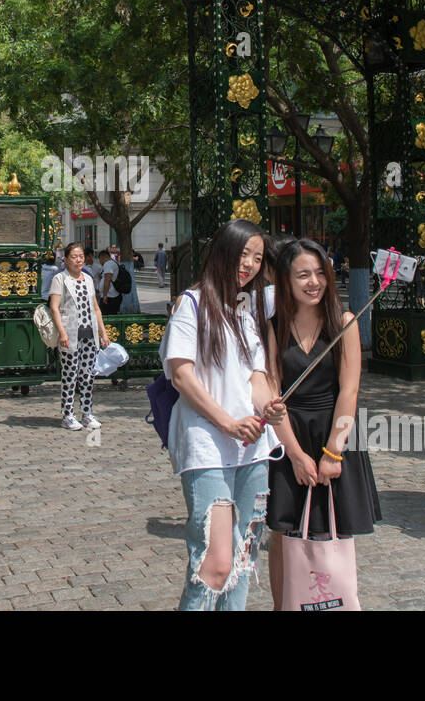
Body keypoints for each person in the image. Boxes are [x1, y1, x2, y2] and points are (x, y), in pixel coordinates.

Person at [164, 219, 286, 611]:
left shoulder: (244, 314)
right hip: (207, 446)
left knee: (244, 556)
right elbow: (182, 374)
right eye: (243, 254)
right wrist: (227, 423)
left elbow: (255, 378)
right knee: (214, 562)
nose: (249, 264)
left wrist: (268, 405)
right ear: (223, 251)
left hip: (251, 449)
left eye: (257, 257)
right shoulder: (192, 303)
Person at [265, 238, 381, 607]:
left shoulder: (344, 323)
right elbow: (272, 395)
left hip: (335, 434)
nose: (313, 282)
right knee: (283, 532)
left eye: (320, 273)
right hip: (290, 437)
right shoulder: (273, 327)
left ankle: (333, 601)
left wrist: (333, 451)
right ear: (285, 280)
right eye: (303, 275)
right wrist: (296, 455)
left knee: (333, 530)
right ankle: (284, 604)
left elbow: (349, 392)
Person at [49, 242, 110, 430]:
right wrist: (62, 332)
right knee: (70, 375)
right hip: (70, 333)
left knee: (87, 375)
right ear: (66, 259)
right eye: (74, 257)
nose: (78, 260)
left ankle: (87, 413)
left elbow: (96, 308)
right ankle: (68, 414)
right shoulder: (60, 279)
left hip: (89, 334)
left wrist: (103, 332)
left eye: (81, 256)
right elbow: (54, 307)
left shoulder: (89, 279)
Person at [97, 248, 122, 315]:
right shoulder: (113, 263)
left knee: (106, 318)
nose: (100, 262)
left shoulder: (108, 264)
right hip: (111, 296)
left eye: (99, 260)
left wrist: (105, 295)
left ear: (102, 257)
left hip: (110, 297)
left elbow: (107, 280)